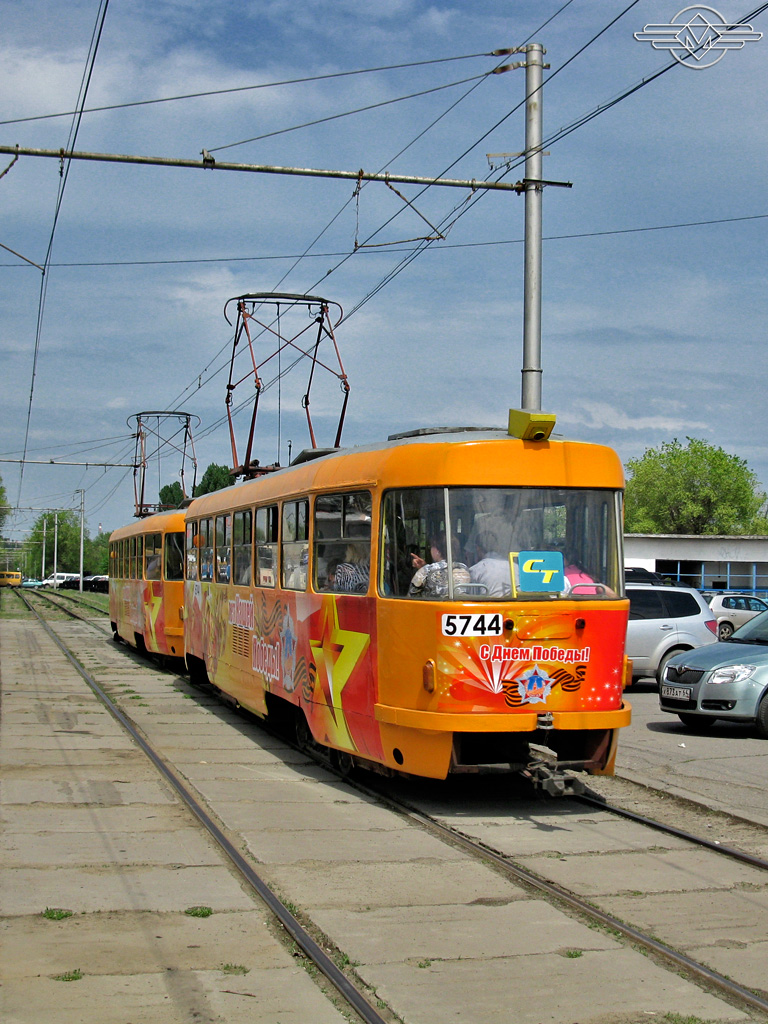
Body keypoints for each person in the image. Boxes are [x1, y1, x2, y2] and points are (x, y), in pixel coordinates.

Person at [408, 534, 470, 599]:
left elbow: (411, 595)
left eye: (431, 547)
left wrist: (423, 569)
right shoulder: (464, 568)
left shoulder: (426, 570)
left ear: (437, 550)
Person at [470, 529, 514, 597]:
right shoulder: (515, 567)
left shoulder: (476, 570)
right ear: (497, 547)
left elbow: (471, 598)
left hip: (488, 604)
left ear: (477, 548)